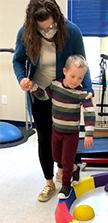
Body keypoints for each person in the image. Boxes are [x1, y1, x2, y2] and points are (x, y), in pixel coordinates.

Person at [13, 0, 93, 202]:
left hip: (65, 93)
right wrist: (22, 77)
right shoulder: (26, 33)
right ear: (33, 24)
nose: (48, 29)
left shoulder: (71, 31)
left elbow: (82, 61)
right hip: (40, 93)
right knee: (45, 138)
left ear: (56, 17)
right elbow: (18, 60)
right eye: (42, 27)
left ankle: (66, 170)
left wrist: (89, 90)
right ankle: (49, 182)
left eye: (50, 25)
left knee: (66, 136)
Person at [31, 55, 95, 199]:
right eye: (72, 76)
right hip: (56, 131)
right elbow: (43, 96)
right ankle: (75, 168)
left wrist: (89, 133)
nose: (75, 81)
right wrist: (33, 87)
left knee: (66, 161)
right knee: (56, 157)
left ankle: (66, 186)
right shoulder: (55, 86)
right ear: (65, 71)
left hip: (71, 134)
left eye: (80, 78)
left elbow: (90, 111)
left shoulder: (81, 93)